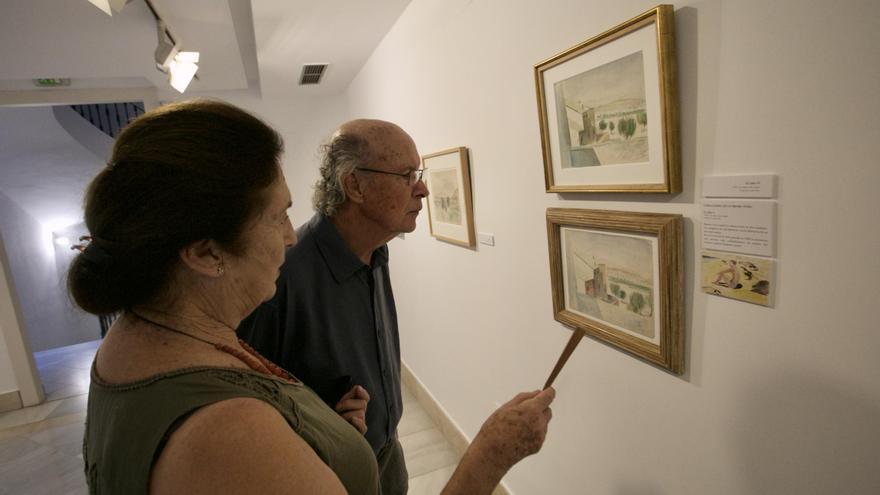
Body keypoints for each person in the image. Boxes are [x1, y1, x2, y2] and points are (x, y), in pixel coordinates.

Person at [70, 99, 554, 495]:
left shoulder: (137, 341)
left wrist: (322, 422)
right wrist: (491, 453)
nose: (288, 236)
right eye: (277, 216)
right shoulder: (227, 431)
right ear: (203, 251)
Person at [238, 118, 426, 493]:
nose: (422, 189)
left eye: (418, 173)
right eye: (407, 175)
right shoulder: (282, 277)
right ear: (354, 185)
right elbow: (249, 406)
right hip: (329, 476)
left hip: (387, 455)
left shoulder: (377, 250)